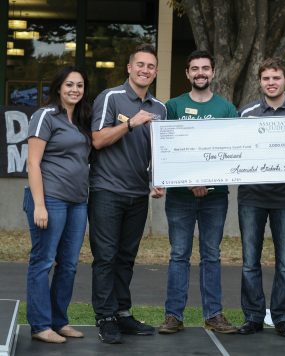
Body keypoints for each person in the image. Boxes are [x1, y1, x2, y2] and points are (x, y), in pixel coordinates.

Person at [89, 44, 166, 344]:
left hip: (137, 193)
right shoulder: (110, 97)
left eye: (150, 66)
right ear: (129, 68)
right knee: (106, 257)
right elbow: (97, 140)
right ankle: (105, 317)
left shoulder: (159, 108)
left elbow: (159, 152)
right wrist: (130, 124)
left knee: (126, 258)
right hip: (106, 190)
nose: (145, 70)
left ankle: (122, 313)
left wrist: (158, 180)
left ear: (156, 72)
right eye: (140, 65)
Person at [158, 50, 238, 335]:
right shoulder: (173, 106)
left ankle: (213, 315)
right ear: (187, 74)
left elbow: (232, 153)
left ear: (213, 72)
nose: (200, 72)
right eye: (195, 68)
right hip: (180, 197)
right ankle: (173, 316)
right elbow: (167, 148)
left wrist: (208, 179)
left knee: (211, 255)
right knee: (179, 254)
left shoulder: (227, 109)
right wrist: (190, 180)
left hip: (215, 198)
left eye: (205, 68)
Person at [236, 58, 285, 337]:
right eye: (266, 78)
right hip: (252, 196)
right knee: (250, 261)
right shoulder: (247, 114)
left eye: (276, 78)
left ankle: (282, 318)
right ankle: (253, 316)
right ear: (260, 82)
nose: (271, 83)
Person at [24, 66, 91, 343]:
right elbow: (33, 163)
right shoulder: (45, 116)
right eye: (69, 85)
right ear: (58, 87)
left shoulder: (81, 120)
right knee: (43, 262)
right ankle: (40, 325)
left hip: (77, 202)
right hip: (50, 200)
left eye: (79, 85)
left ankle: (59, 321)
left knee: (69, 265)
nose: (74, 89)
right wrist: (40, 205)